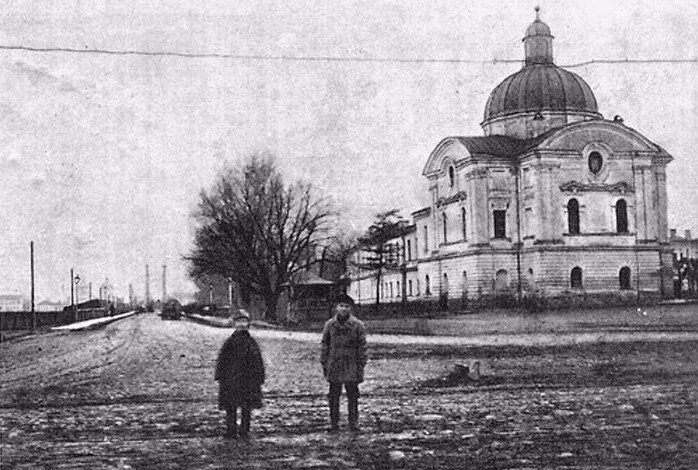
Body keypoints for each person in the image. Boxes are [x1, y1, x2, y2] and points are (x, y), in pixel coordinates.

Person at [215, 310, 265, 439]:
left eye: (244, 321)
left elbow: (257, 360)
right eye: (239, 321)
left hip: (247, 380)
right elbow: (222, 360)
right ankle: (231, 430)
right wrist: (220, 375)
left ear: (248, 324)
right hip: (231, 380)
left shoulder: (251, 342)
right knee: (230, 407)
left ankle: (244, 430)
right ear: (234, 324)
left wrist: (259, 377)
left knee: (246, 407)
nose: (241, 324)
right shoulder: (229, 342)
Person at [320, 293, 367, 432]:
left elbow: (362, 346)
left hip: (351, 364)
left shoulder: (358, 326)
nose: (343, 309)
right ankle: (334, 422)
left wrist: (361, 363)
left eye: (346, 306)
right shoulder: (329, 325)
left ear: (351, 309)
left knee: (353, 395)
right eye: (341, 306)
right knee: (334, 395)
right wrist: (324, 361)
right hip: (334, 363)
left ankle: (353, 422)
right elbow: (325, 344)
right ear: (336, 308)